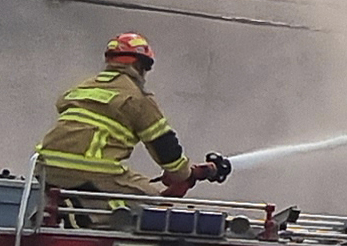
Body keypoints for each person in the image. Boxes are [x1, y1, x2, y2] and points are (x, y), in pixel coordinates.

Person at [36, 32, 223, 210]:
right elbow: (165, 147)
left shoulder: (82, 87)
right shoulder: (137, 98)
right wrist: (184, 175)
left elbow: (64, 108)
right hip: (91, 172)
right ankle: (102, 224)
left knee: (117, 192)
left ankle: (83, 217)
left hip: (45, 169)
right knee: (151, 205)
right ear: (140, 65)